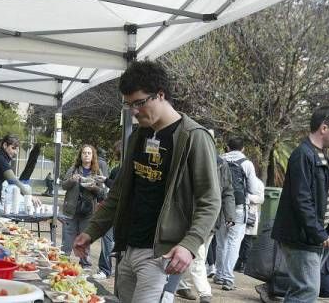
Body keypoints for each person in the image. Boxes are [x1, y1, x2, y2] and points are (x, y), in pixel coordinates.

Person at [73, 60, 221, 302]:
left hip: (161, 255)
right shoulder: (139, 136)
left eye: (139, 103)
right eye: (129, 104)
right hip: (128, 248)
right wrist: (92, 231)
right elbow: (119, 194)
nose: (134, 111)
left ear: (160, 95)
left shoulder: (194, 137)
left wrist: (190, 244)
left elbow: (210, 201)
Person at [271, 106, 329, 302]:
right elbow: (302, 200)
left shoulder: (322, 156)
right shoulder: (302, 154)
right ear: (324, 128)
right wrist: (319, 234)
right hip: (302, 237)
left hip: (314, 237)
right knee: (307, 291)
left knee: (300, 290)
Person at [167, 155, 236, 303]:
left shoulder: (221, 164)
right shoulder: (189, 158)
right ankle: (205, 292)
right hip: (191, 219)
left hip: (209, 220)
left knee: (197, 257)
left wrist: (230, 216)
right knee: (197, 256)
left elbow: (227, 191)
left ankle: (181, 285)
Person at [214, 137, 261, 291]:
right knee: (234, 242)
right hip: (239, 207)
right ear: (242, 149)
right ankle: (228, 278)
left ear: (227, 147)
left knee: (221, 242)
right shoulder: (247, 163)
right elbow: (254, 189)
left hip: (220, 205)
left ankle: (219, 275)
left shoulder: (219, 159)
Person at [61, 145, 107, 268]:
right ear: (80, 156)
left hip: (87, 212)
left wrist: (93, 188)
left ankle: (85, 264)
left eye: (89, 153)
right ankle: (63, 262)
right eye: (84, 153)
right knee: (67, 239)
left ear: (93, 156)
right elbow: (63, 185)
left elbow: (103, 193)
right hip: (72, 209)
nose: (86, 155)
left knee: (84, 239)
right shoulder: (73, 169)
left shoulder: (97, 172)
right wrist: (72, 180)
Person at [0, 134, 41, 216]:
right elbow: (13, 180)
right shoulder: (0, 159)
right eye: (13, 148)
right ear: (5, 145)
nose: (15, 152)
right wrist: (30, 196)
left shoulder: (0, 157)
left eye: (17, 149)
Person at [93, 140, 122, 280]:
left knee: (109, 240)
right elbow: (113, 189)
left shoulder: (122, 170)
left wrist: (105, 180)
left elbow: (117, 188)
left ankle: (107, 269)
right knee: (108, 239)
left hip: (119, 211)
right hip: (114, 209)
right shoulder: (118, 169)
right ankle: (106, 269)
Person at [235, 177, 265, 273]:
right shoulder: (241, 180)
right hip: (241, 212)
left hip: (251, 214)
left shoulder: (258, 183)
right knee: (238, 240)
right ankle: (237, 263)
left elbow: (261, 199)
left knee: (247, 241)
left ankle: (244, 263)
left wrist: (247, 197)